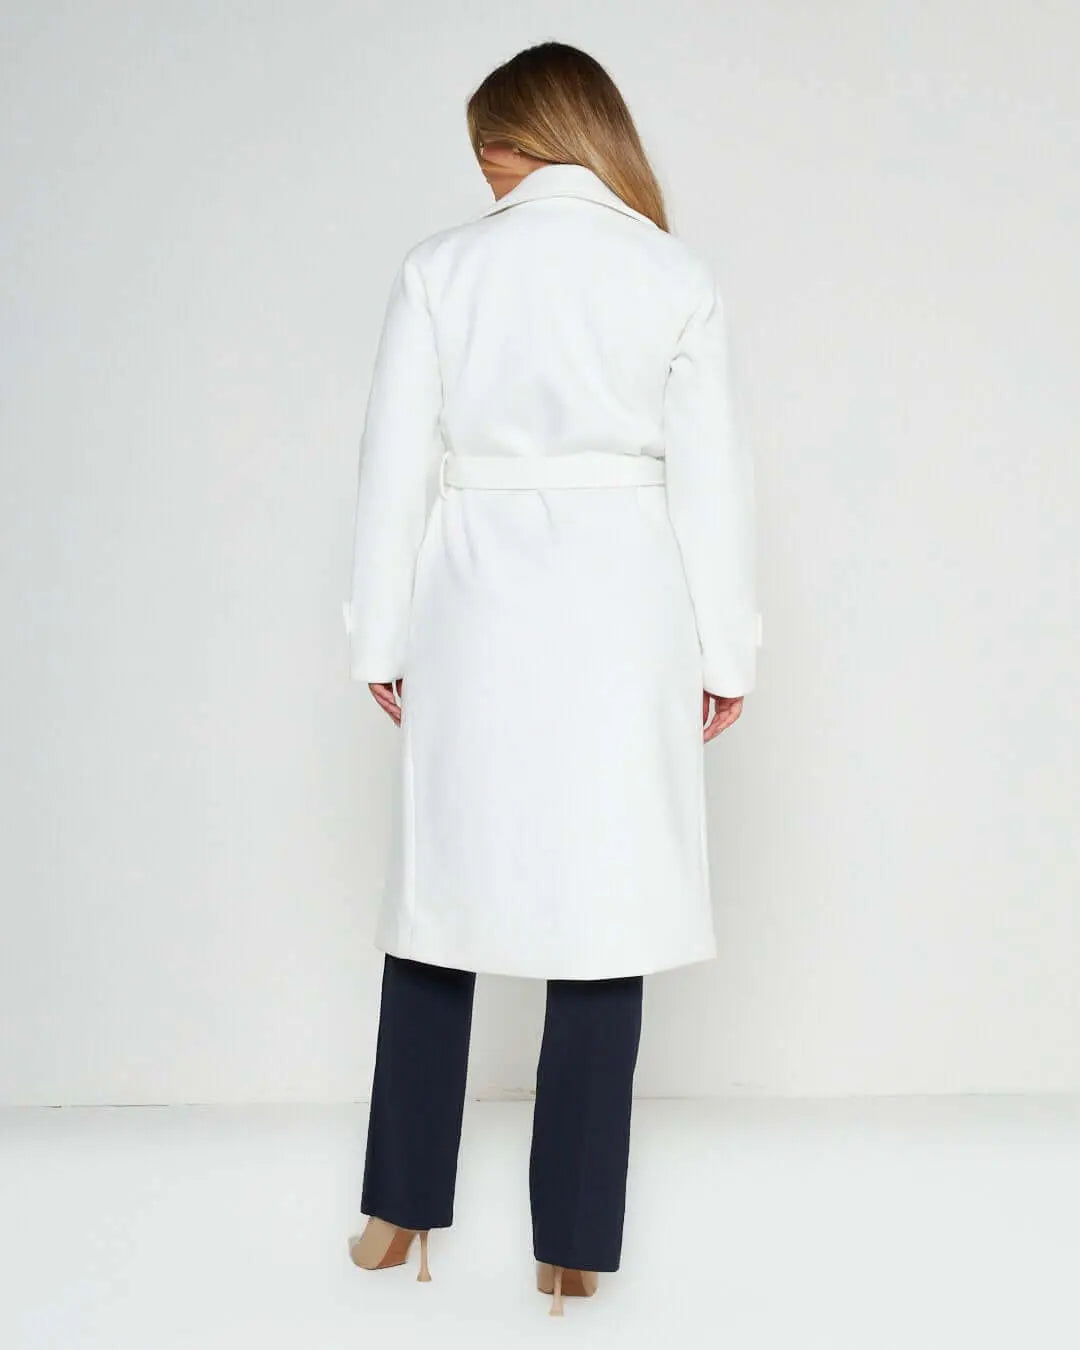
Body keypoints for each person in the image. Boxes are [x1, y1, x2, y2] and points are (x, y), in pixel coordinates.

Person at [341, 40, 762, 1316]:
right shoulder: (672, 273)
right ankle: (570, 1244)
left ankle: (398, 1211)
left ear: (512, 137)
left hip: (473, 603)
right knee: (606, 909)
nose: (481, 164)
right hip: (627, 612)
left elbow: (392, 467)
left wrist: (378, 635)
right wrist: (726, 649)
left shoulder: (441, 268)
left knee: (440, 905)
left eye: (486, 139)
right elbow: (712, 483)